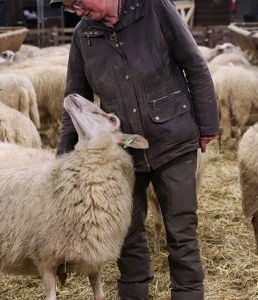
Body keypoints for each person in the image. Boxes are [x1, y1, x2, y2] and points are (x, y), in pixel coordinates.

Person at [49, 0, 219, 299]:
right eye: (69, 6)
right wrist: (62, 160)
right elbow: (74, 100)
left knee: (181, 229)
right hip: (122, 152)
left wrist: (207, 125)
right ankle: (134, 294)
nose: (75, 10)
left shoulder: (154, 7)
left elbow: (194, 65)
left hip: (173, 137)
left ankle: (189, 293)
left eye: (77, 2)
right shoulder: (83, 35)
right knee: (127, 231)